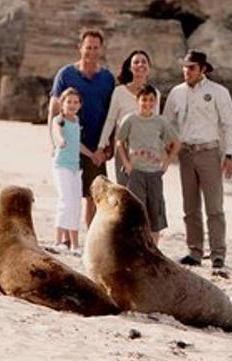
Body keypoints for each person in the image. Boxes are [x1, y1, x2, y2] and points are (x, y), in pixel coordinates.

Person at [162, 49, 232, 269]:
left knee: (214, 206)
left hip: (209, 152)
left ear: (203, 69)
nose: (187, 71)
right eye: (185, 67)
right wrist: (168, 149)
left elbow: (229, 123)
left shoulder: (218, 92)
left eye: (192, 67)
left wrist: (230, 154)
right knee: (190, 207)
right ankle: (194, 251)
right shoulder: (176, 93)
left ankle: (217, 254)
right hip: (185, 153)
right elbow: (167, 123)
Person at [48, 28, 116, 228]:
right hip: (68, 144)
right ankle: (67, 237)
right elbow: (53, 110)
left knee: (94, 196)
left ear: (101, 50)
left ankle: (90, 237)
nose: (92, 52)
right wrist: (53, 142)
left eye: (96, 48)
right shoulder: (66, 74)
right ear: (80, 48)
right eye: (88, 47)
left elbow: (111, 115)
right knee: (69, 195)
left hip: (95, 146)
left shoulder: (107, 78)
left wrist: (109, 144)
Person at [116, 84, 179, 244]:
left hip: (154, 173)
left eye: (151, 100)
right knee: (136, 210)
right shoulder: (130, 120)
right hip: (136, 171)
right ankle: (137, 246)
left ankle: (154, 247)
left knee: (155, 210)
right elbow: (120, 142)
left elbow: (176, 143)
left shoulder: (160, 122)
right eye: (144, 100)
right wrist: (127, 163)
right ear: (138, 100)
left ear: (156, 102)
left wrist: (166, 164)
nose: (147, 103)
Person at [99, 49, 159, 187]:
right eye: (136, 62)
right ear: (130, 67)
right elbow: (111, 120)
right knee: (125, 192)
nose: (140, 65)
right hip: (123, 149)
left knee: (145, 194)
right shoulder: (119, 92)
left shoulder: (155, 93)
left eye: (144, 62)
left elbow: (156, 124)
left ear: (149, 68)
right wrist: (101, 146)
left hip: (147, 151)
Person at [50, 87, 84, 254]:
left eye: (75, 102)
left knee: (76, 204)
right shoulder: (59, 120)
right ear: (61, 104)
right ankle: (58, 241)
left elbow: (78, 144)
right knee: (66, 201)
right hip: (61, 166)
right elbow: (56, 133)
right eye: (68, 101)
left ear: (80, 105)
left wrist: (92, 154)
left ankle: (75, 244)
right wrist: (60, 141)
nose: (72, 105)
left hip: (75, 168)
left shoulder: (76, 121)